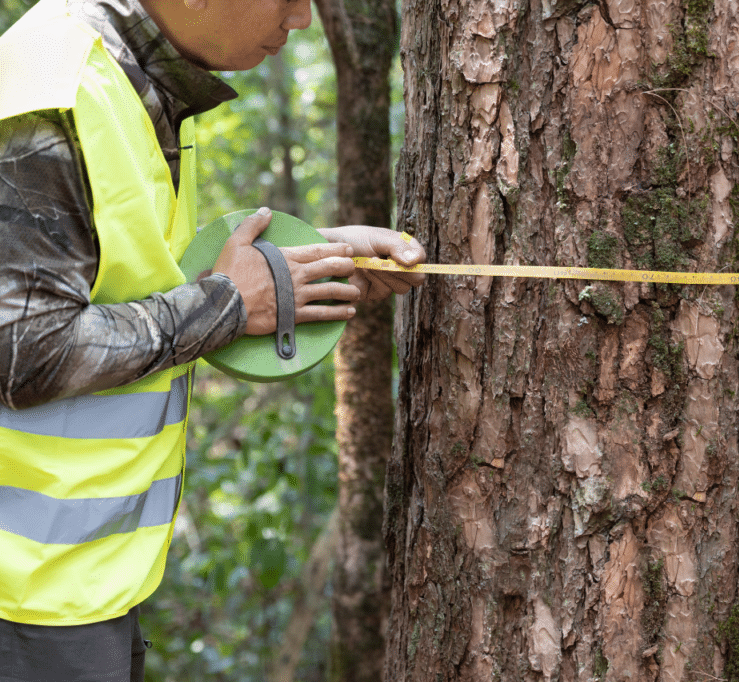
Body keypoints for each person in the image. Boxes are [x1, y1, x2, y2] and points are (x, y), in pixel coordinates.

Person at [0, 0, 426, 679]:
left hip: (80, 583)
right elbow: (21, 349)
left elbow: (118, 288)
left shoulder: (140, 83)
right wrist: (225, 303)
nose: (302, 22)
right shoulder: (57, 91)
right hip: (25, 600)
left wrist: (301, 266)